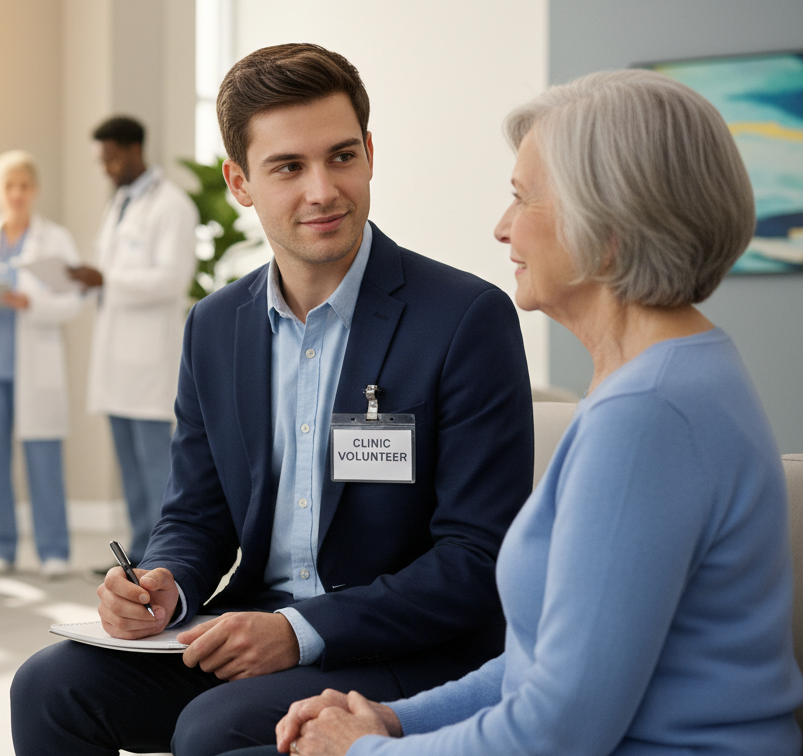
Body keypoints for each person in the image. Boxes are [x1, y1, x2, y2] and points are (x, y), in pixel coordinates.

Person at [228, 69, 803, 756]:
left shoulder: (645, 416)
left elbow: (555, 731)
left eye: (521, 199)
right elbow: (541, 671)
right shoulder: (676, 372)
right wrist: (393, 719)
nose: (502, 229)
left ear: (608, 225)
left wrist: (361, 751)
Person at [9, 43, 534, 756]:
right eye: (289, 167)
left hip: (408, 647)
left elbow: (478, 557)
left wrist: (299, 631)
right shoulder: (215, 326)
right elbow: (196, 515)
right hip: (252, 627)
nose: (323, 190)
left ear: (371, 154)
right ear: (240, 182)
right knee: (49, 687)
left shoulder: (464, 317)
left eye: (342, 157)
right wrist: (165, 585)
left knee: (211, 729)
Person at [68, 115, 199, 568]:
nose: (105, 167)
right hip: (116, 358)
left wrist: (106, 278)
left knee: (155, 468)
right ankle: (138, 553)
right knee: (129, 468)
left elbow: (171, 280)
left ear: (132, 150)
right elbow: (113, 273)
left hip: (148, 361)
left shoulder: (172, 206)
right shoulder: (120, 204)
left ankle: (164, 558)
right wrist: (89, 280)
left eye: (109, 158)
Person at [0, 150, 83, 578]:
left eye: (24, 185)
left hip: (33, 366)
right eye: (9, 186)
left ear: (35, 190)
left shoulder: (55, 239)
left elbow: (72, 300)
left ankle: (53, 549)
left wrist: (32, 302)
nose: (17, 194)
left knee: (43, 459)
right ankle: (1, 547)